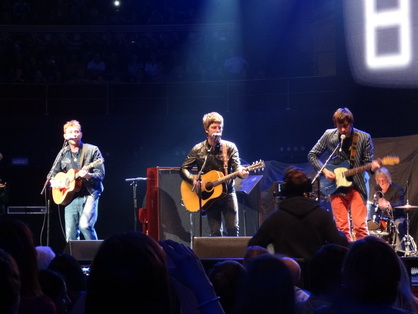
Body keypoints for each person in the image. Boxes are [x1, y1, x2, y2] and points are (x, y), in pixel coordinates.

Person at [308, 107, 381, 241]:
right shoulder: (329, 135)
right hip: (336, 186)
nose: (343, 130)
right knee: (341, 228)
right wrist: (324, 170)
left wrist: (373, 167)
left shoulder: (364, 138)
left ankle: (364, 257)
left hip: (357, 186)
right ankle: (346, 258)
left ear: (351, 123)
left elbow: (367, 163)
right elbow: (312, 154)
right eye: (340, 126)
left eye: (346, 126)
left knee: (360, 227)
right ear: (336, 124)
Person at [248, 167, 348, 259]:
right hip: (315, 275)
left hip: (286, 276)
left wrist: (272, 263)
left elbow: (253, 245)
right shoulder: (322, 216)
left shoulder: (275, 218)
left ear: (285, 189)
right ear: (308, 188)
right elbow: (341, 243)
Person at [179, 112, 248, 237]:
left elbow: (237, 166)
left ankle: (234, 256)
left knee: (233, 229)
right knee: (215, 233)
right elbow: (183, 169)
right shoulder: (198, 149)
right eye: (214, 127)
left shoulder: (230, 147)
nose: (218, 130)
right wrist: (193, 181)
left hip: (228, 193)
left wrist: (241, 173)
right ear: (206, 130)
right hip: (209, 197)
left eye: (220, 127)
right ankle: (218, 256)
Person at [50, 120, 105, 241]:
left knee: (85, 226)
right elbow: (52, 175)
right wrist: (58, 183)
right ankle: (74, 259)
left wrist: (88, 175)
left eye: (77, 131)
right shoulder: (63, 153)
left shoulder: (92, 150)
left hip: (90, 193)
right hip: (71, 195)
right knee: (70, 234)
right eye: (71, 132)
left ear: (81, 134)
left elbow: (100, 175)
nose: (74, 134)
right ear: (65, 136)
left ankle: (95, 256)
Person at [372, 167, 405, 250]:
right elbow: (373, 204)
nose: (381, 183)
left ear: (388, 178)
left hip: (397, 217)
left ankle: (400, 251)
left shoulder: (397, 189)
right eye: (379, 181)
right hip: (382, 219)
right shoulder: (377, 189)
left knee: (398, 224)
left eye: (383, 180)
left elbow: (399, 205)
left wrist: (388, 204)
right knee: (371, 226)